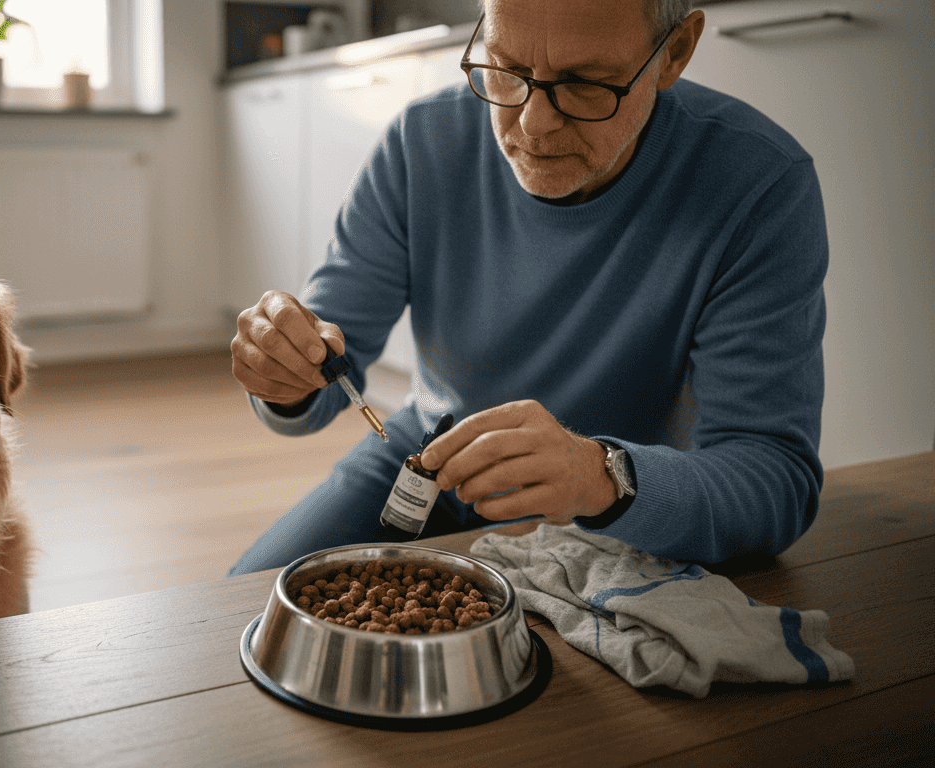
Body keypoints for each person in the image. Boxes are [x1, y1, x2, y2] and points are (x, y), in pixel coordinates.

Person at [228, 0, 828, 575]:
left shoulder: (758, 183)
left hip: (630, 509)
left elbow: (774, 483)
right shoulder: (422, 141)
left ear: (675, 52)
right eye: (507, 70)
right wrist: (286, 375)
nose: (533, 125)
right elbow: (331, 357)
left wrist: (600, 476)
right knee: (242, 612)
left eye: (587, 83)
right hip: (428, 454)